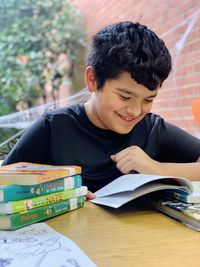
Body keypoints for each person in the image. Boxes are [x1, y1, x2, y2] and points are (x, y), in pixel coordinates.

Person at [3, 21, 200, 199]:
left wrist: (156, 168)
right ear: (93, 79)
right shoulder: (54, 128)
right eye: (124, 97)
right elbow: (5, 181)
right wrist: (57, 195)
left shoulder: (152, 130)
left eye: (148, 99)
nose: (135, 111)